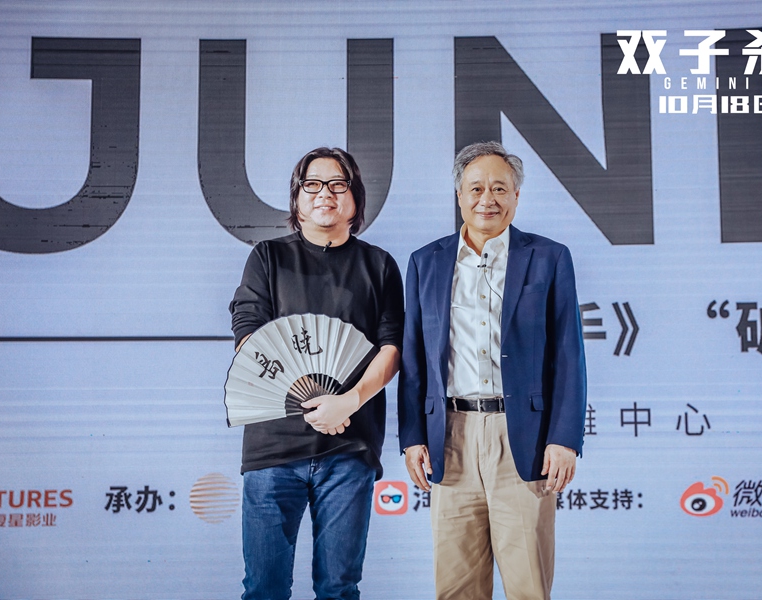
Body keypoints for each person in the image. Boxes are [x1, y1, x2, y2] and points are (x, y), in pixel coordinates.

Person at [398, 141, 587, 600]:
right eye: (477, 188)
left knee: (528, 586)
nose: (488, 199)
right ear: (459, 195)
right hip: (450, 438)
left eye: (500, 188)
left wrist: (564, 439)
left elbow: (569, 355)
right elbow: (413, 359)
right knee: (456, 588)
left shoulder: (549, 257)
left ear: (517, 196)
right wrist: (412, 436)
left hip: (523, 438)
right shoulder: (426, 262)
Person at [229, 147, 403, 600]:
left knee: (339, 588)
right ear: (297, 199)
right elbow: (249, 336)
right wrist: (310, 402)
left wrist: (348, 401)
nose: (325, 193)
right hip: (272, 449)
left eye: (338, 184)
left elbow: (391, 348)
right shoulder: (268, 258)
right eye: (313, 184)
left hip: (349, 446)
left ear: (355, 198)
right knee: (263, 588)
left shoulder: (379, 265)